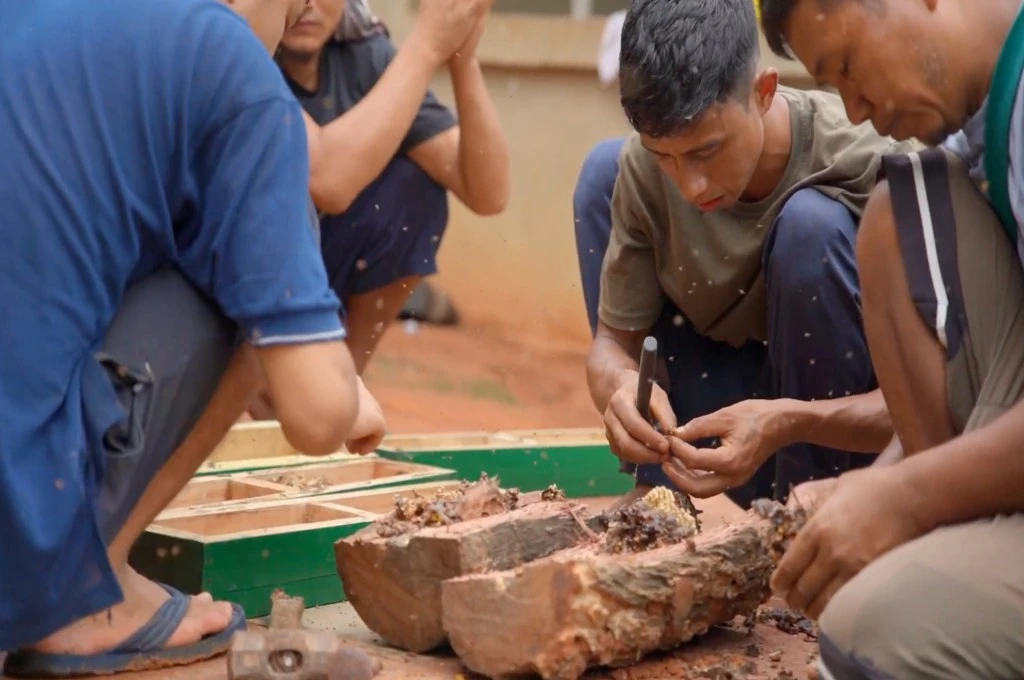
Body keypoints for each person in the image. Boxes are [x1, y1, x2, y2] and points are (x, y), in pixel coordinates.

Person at [0, 0, 386, 675]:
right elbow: (317, 417)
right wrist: (349, 394)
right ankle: (82, 600)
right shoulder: (232, 69)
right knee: (253, 252)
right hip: (14, 534)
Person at [758, 0, 1024, 677]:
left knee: (869, 631)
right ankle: (959, 558)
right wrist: (874, 492)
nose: (854, 111)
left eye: (846, 66)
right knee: (899, 212)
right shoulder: (982, 129)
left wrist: (904, 498)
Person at [574, 0, 915, 510]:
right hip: (715, 424)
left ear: (764, 92)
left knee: (811, 229)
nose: (689, 185)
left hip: (841, 440)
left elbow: (938, 408)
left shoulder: (867, 162)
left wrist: (789, 421)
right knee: (606, 171)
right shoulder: (644, 170)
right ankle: (662, 487)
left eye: (707, 151)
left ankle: (803, 517)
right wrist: (620, 387)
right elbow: (611, 345)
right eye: (664, 155)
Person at [276, 0, 510, 375]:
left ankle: (345, 377)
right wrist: (427, 45)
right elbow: (328, 182)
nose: (307, 4)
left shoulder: (362, 55)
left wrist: (462, 60)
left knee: (413, 190)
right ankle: (272, 388)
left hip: (316, 265)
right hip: (239, 279)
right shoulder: (244, 54)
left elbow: (488, 193)